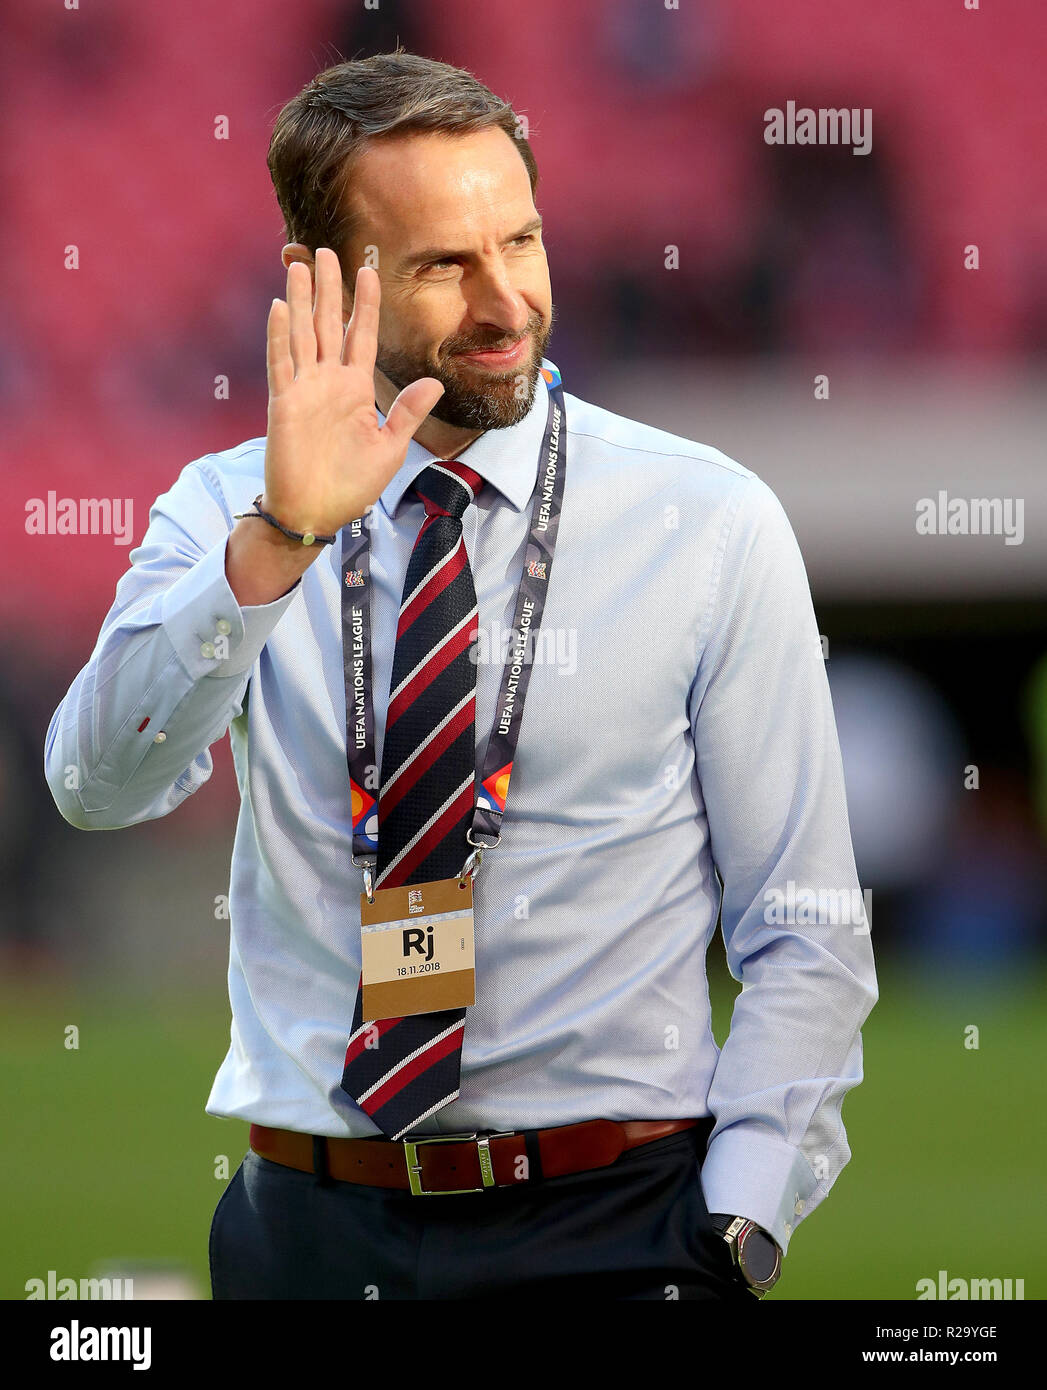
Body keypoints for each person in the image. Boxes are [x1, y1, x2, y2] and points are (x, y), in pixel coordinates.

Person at [44, 50, 877, 1301]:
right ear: (330, 282)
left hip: (620, 1228)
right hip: (307, 1234)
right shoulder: (226, 509)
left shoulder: (708, 520)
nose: (507, 301)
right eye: (445, 263)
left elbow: (804, 926)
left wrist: (741, 1224)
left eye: (522, 241)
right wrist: (277, 544)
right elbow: (94, 786)